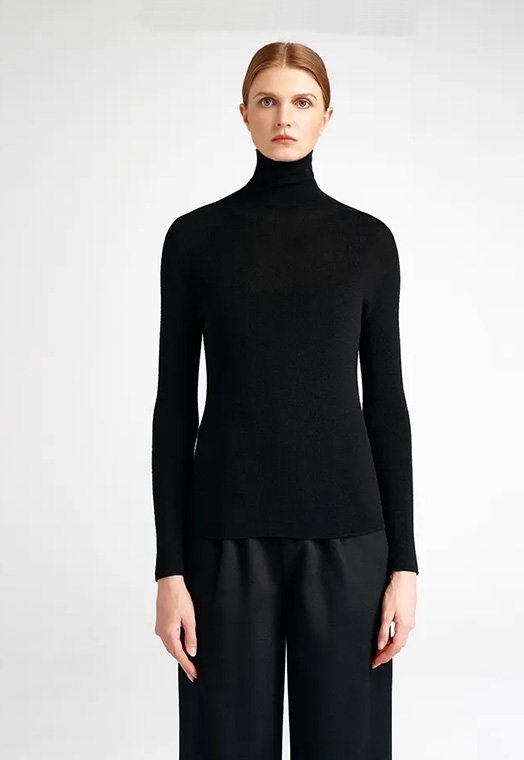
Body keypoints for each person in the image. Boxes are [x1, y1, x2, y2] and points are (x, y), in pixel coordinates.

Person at [151, 41, 419, 760]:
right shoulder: (195, 239)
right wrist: (169, 569)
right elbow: (173, 409)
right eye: (267, 101)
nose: (284, 117)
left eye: (302, 102)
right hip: (223, 542)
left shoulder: (367, 243)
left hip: (349, 541)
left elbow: (386, 407)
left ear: (328, 115)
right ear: (243, 114)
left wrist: (405, 565)